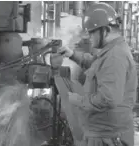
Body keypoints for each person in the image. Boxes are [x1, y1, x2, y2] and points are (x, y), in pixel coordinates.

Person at [58, 2, 138, 146]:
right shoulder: (111, 51)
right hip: (103, 134)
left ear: (105, 31)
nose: (88, 36)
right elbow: (96, 65)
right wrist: (72, 55)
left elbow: (107, 99)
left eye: (91, 32)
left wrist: (77, 100)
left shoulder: (115, 56)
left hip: (107, 138)